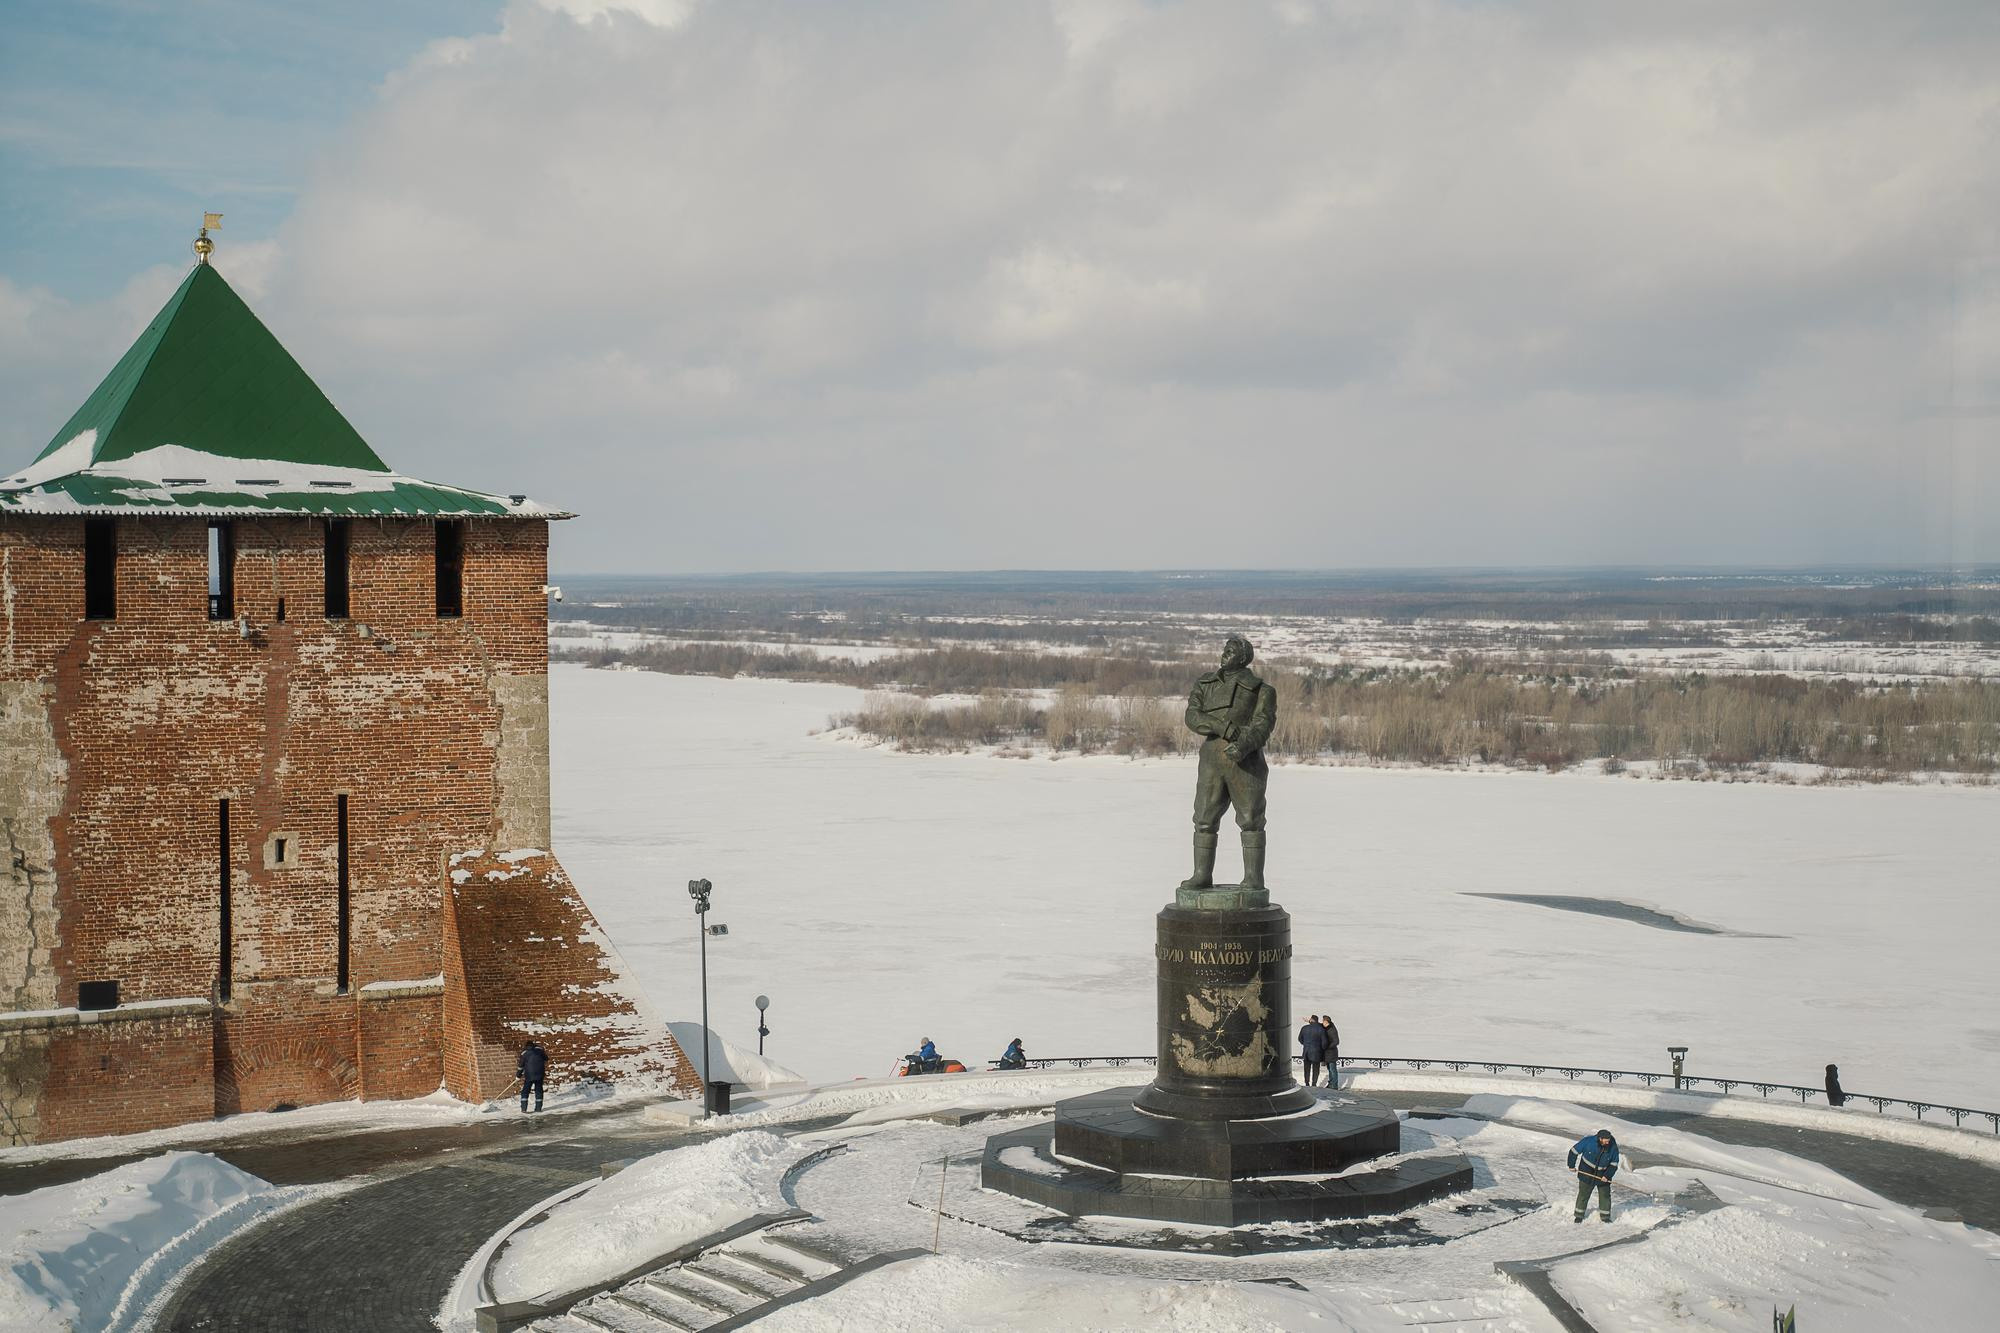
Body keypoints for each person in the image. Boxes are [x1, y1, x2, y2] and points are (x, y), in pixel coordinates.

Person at [1179, 637, 1278, 891]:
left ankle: (1253, 879)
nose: (1225, 654)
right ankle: (1201, 875)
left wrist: (1242, 745)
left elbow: (1262, 725)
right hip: (1211, 761)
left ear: (1243, 658)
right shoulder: (1205, 684)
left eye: (1231, 651)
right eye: (1225, 649)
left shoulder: (1262, 691)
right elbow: (1192, 716)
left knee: (1251, 819)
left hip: (1245, 762)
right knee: (1204, 818)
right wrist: (1222, 727)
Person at [1567, 1128, 1620, 1222]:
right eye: (1606, 1141)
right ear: (1600, 1138)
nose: (1608, 1142)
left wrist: (1607, 1175)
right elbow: (1573, 1151)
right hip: (1586, 1171)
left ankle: (1605, 1217)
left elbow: (1614, 1164)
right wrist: (1571, 1165)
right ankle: (1579, 1215)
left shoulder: (1613, 1147)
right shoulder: (1588, 1141)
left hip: (1603, 1173)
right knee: (1583, 1194)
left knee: (1605, 1195)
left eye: (1609, 1140)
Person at [517, 1040, 548, 1114]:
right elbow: (546, 1058)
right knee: (539, 1091)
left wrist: (518, 1075)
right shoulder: (540, 1050)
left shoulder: (524, 1053)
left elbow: (520, 1066)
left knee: (525, 1091)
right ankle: (538, 1108)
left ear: (526, 1046)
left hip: (529, 1075)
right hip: (540, 1074)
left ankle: (524, 1109)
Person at [1299, 1014, 1328, 1087]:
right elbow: (1324, 1042)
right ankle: (1314, 1083)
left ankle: (1307, 1083)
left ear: (1311, 1020)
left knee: (1306, 1069)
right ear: (1317, 1021)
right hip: (1317, 1052)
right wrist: (1322, 1049)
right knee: (1316, 1069)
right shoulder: (1321, 1029)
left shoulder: (1304, 1028)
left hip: (1306, 1052)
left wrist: (1305, 1044)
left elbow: (1300, 1039)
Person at [1321, 1014, 1340, 1090]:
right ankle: (1331, 1083)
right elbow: (1319, 1024)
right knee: (1330, 1069)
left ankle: (1334, 1085)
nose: (1322, 1023)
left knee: (1332, 1069)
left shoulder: (1332, 1030)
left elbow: (1336, 1041)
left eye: (1323, 1021)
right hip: (1328, 1054)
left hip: (1331, 1053)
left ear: (1327, 1022)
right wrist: (1310, 1021)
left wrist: (1328, 1047)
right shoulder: (1328, 1027)